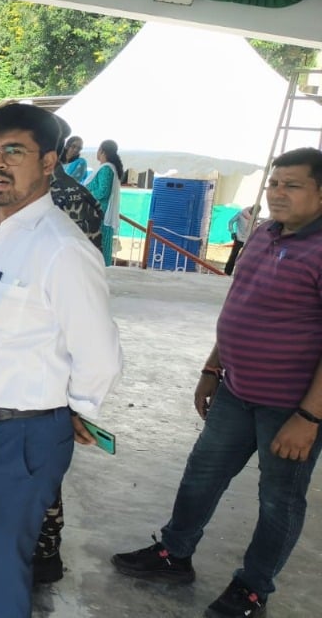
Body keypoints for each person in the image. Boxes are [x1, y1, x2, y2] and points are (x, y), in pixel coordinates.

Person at [111, 148, 322, 618]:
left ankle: (253, 590)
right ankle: (174, 553)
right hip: (236, 390)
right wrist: (212, 368)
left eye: (292, 185)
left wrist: (309, 417)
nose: (278, 193)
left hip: (290, 407)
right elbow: (240, 305)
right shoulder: (264, 233)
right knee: (202, 474)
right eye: (274, 183)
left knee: (279, 501)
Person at [0, 103, 122, 617]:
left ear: (48, 162)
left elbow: (100, 352)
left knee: (0, 567)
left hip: (19, 434)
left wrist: (76, 409)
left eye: (14, 152)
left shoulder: (62, 248)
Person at [30, 116, 106, 585]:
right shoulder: (9, 203)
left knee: (42, 464)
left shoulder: (70, 201)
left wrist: (79, 400)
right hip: (17, 359)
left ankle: (45, 548)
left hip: (52, 356)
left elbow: (85, 302)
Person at [86, 139, 125, 266]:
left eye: (98, 149)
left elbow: (103, 192)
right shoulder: (107, 168)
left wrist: (85, 194)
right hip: (98, 212)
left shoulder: (106, 169)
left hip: (100, 213)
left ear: (102, 151)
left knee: (99, 247)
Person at [224, 203, 259, 274]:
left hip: (249, 240)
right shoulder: (241, 214)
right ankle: (227, 272)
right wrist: (232, 232)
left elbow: (255, 228)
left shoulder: (255, 218)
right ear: (252, 208)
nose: (255, 213)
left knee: (246, 258)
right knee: (233, 256)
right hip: (239, 238)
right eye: (255, 211)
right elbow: (231, 222)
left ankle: (240, 274)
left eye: (257, 212)